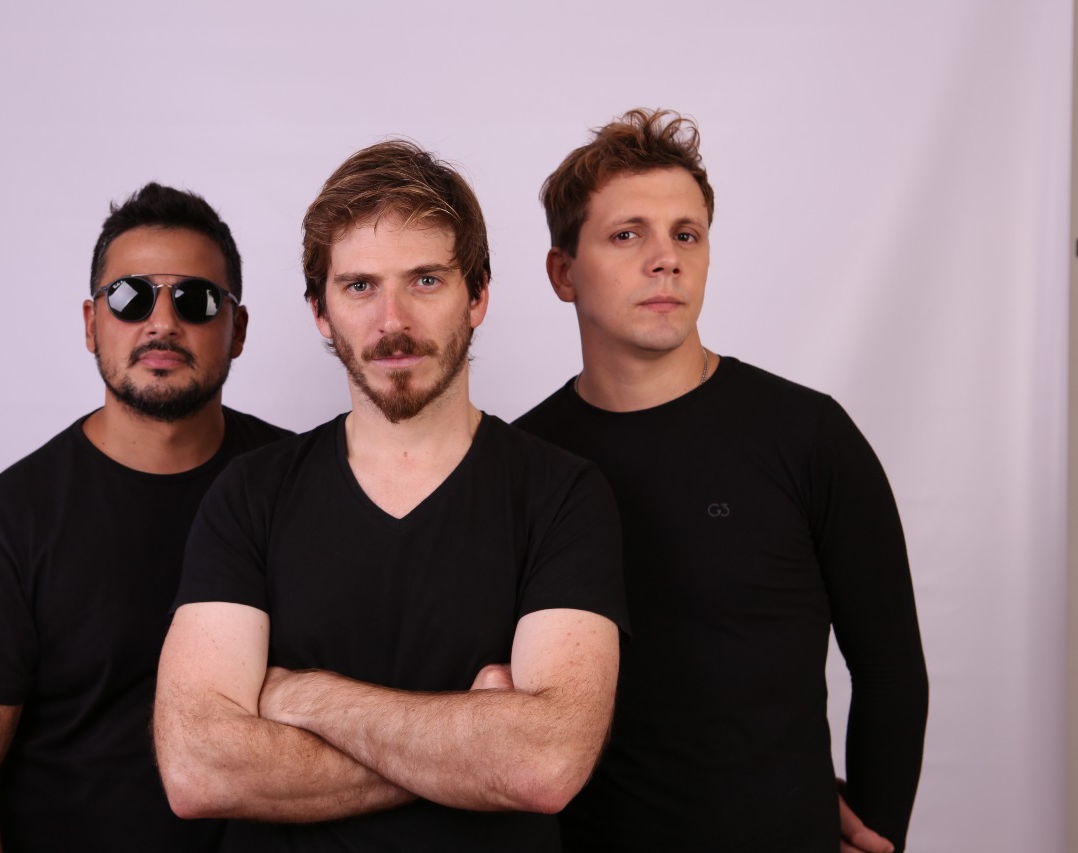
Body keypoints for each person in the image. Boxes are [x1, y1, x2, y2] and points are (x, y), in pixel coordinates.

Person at [154, 140, 628, 853]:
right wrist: (470, 748)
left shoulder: (561, 494)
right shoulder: (250, 494)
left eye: (426, 280)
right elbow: (198, 769)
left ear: (478, 296)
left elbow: (543, 763)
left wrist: (300, 697)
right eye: (359, 286)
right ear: (320, 311)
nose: (393, 321)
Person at [515, 110, 929, 853]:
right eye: (627, 234)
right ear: (563, 273)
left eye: (687, 234)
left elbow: (892, 672)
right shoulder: (521, 462)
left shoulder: (807, 435)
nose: (665, 260)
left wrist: (877, 833)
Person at [0, 183, 291, 853]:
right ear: (90, 323)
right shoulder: (9, 523)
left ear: (238, 328)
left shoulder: (301, 485)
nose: (162, 324)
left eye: (195, 299)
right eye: (131, 297)